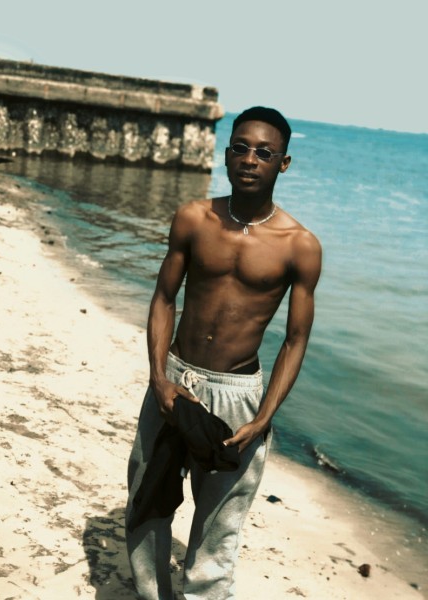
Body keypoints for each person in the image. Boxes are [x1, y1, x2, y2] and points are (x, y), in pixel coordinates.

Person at [125, 106, 322, 599]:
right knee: (148, 501)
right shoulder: (194, 218)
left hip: (238, 395)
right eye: (240, 148)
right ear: (227, 153)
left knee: (218, 525)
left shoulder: (300, 245)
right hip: (175, 379)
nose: (249, 159)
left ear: (284, 163)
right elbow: (164, 298)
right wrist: (159, 377)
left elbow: (296, 339)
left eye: (264, 152)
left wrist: (264, 417)